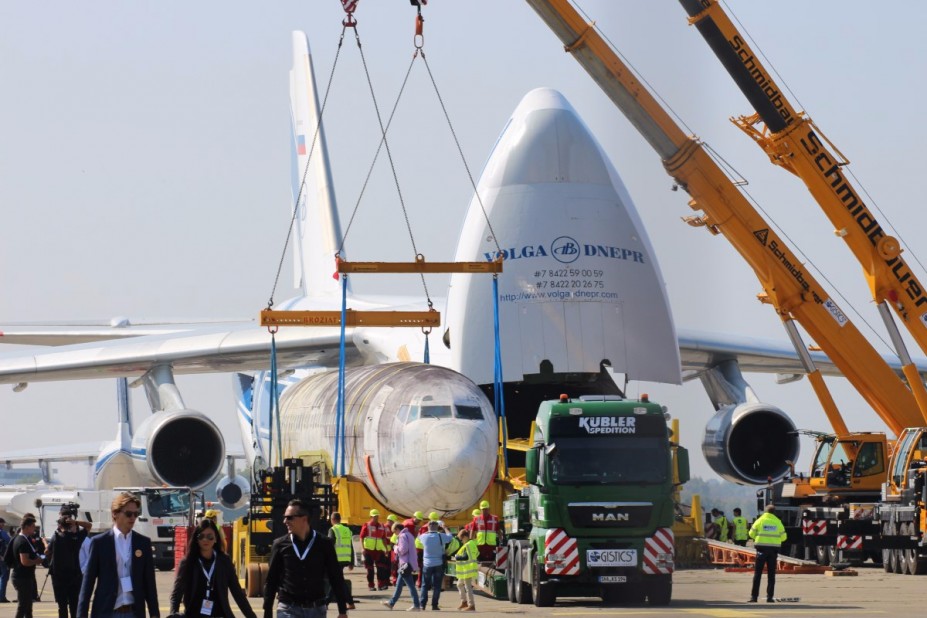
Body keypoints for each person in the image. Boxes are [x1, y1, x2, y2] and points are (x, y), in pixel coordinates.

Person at [77, 491, 160, 618]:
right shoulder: (100, 542)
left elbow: (149, 583)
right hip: (107, 612)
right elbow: (87, 583)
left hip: (133, 612)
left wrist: (154, 613)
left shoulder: (143, 543)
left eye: (135, 514)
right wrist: (81, 614)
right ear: (115, 514)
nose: (132, 518)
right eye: (128, 514)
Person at [263, 499, 348, 618]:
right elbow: (271, 581)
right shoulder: (280, 545)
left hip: (316, 610)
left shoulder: (324, 544)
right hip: (288, 609)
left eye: (289, 517)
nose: (285, 521)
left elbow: (336, 577)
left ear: (304, 518)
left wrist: (342, 611)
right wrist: (267, 613)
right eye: (285, 517)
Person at [169, 518, 256, 618]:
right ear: (196, 539)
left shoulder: (224, 561)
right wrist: (173, 614)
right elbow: (176, 594)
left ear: (215, 539)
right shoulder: (188, 563)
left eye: (210, 537)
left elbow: (237, 593)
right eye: (201, 536)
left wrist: (252, 616)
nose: (205, 540)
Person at [47, 504, 91, 618]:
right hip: (74, 575)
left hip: (59, 576)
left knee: (62, 606)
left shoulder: (56, 537)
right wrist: (75, 522)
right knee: (74, 605)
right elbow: (89, 526)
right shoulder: (77, 537)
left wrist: (44, 542)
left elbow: (47, 551)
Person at [748, 504, 787, 603]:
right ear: (774, 512)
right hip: (773, 552)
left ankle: (754, 597)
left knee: (757, 574)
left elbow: (751, 534)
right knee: (771, 575)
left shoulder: (760, 521)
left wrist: (758, 536)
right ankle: (769, 597)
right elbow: (784, 538)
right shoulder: (778, 522)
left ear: (765, 511)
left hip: (761, 550)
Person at [381, 523, 420, 611]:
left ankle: (416, 605)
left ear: (398, 529)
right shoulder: (409, 534)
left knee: (411, 586)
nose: (394, 534)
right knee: (399, 585)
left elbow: (403, 550)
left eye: (394, 532)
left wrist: (395, 548)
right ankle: (391, 603)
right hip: (409, 563)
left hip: (405, 564)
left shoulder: (402, 536)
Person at [11, 516, 44, 618]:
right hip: (22, 577)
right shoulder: (22, 541)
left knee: (28, 606)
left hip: (24, 576)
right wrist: (36, 561)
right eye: (33, 526)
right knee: (23, 605)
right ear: (26, 527)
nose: (35, 528)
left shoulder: (23, 539)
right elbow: (25, 561)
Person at [417, 519, 453, 611]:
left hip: (427, 564)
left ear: (428, 527)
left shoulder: (424, 537)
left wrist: (426, 525)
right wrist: (444, 527)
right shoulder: (441, 536)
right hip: (438, 564)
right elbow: (450, 536)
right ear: (438, 527)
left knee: (425, 585)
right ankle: (434, 605)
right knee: (437, 586)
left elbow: (418, 536)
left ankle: (422, 605)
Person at [326, 513, 355, 610]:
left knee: (335, 581)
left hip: (336, 559)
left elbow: (329, 545)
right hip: (345, 558)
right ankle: (350, 603)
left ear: (332, 519)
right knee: (339, 580)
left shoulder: (333, 529)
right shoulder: (347, 530)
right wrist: (351, 561)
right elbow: (350, 546)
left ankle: (326, 603)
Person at [358, 509, 390, 591]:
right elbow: (361, 537)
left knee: (381, 568)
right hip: (368, 550)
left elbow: (383, 538)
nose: (376, 518)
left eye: (377, 516)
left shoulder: (382, 526)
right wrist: (362, 548)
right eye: (374, 516)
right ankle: (371, 585)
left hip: (379, 550)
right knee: (370, 569)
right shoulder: (366, 525)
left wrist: (386, 549)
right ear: (371, 517)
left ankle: (381, 585)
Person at [453, 529, 478, 611]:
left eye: (461, 538)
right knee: (459, 584)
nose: (461, 540)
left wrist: (456, 557)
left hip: (467, 569)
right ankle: (464, 602)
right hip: (466, 569)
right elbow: (477, 553)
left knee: (468, 587)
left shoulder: (468, 545)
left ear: (465, 537)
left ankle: (471, 605)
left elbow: (466, 557)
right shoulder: (472, 544)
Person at [0, 517, 11, 603]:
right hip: (2, 558)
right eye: (2, 523)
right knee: (4, 577)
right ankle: (1, 597)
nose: (3, 525)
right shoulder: (2, 533)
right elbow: (10, 542)